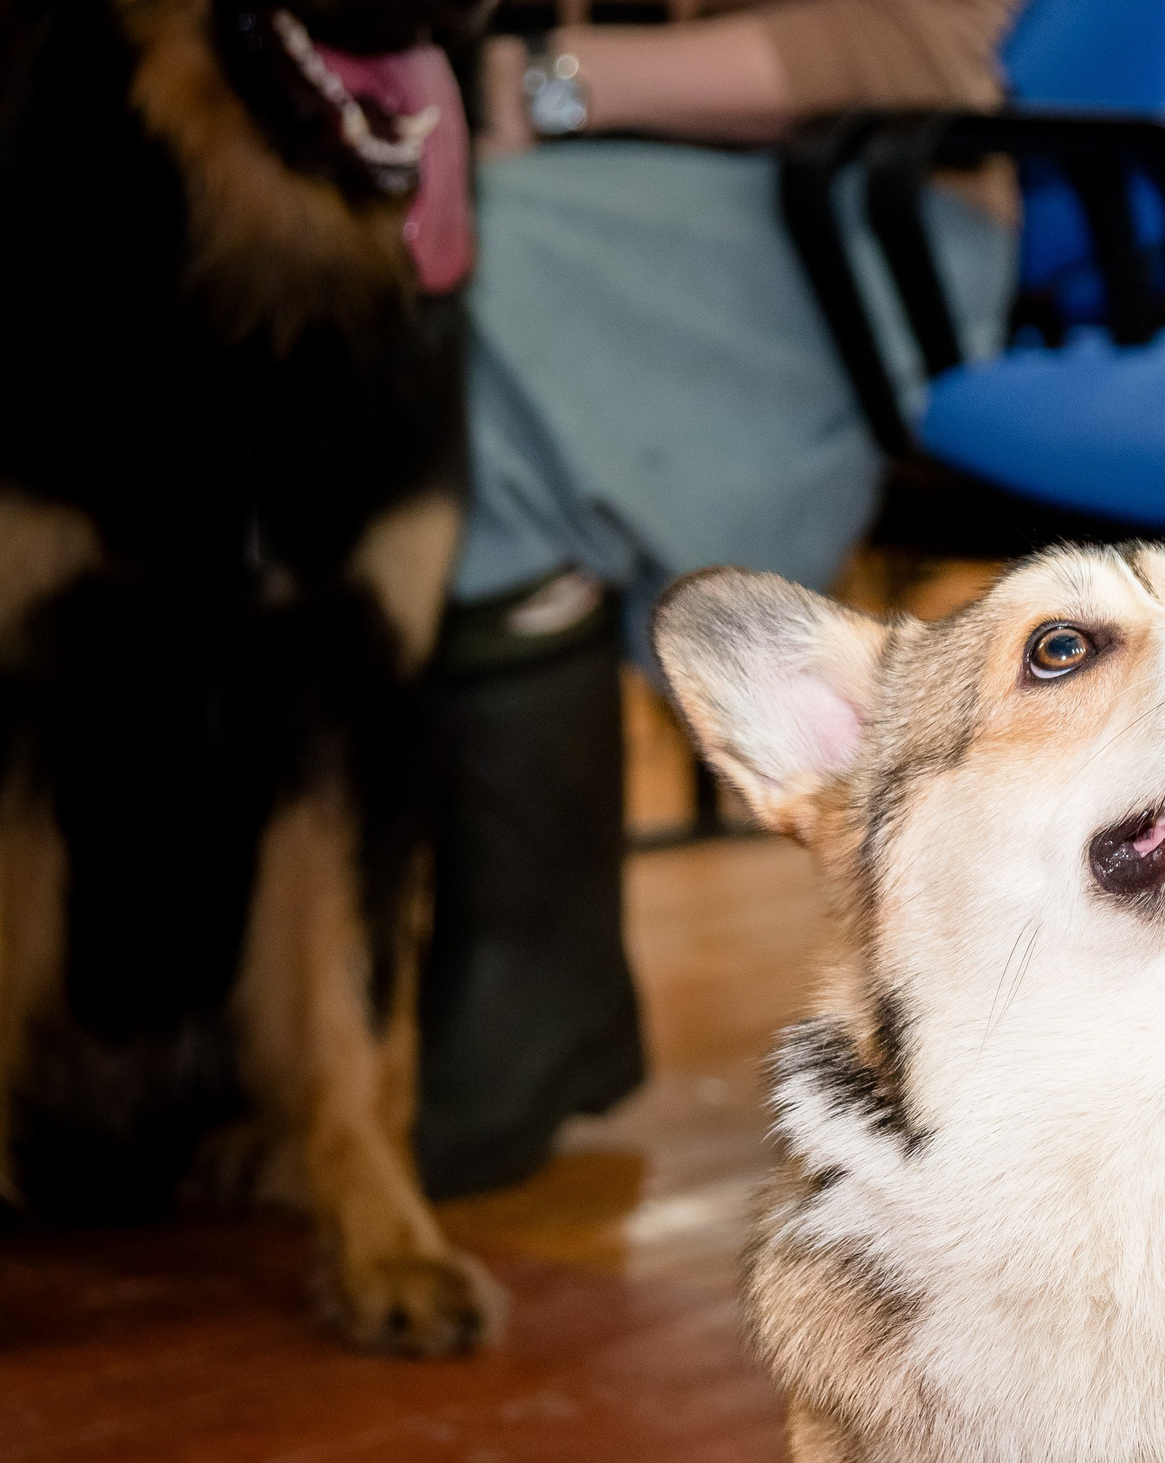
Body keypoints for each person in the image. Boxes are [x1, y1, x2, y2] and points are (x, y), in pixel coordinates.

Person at [414, 0, 1020, 1197]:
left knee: (451, 284)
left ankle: (525, 980)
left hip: (854, 217)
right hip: (610, 192)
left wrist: (538, 84)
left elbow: (914, 50)